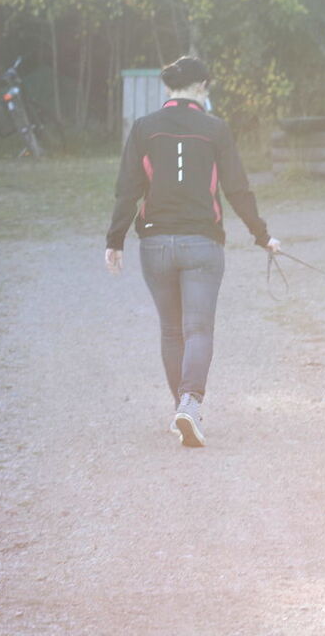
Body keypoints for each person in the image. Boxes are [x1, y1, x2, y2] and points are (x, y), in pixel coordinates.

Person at [105, 55, 279, 447]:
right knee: (198, 328)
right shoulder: (215, 129)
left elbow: (128, 188)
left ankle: (181, 409)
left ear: (169, 88)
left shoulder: (145, 128)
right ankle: (190, 404)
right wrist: (261, 235)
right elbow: (237, 187)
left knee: (171, 330)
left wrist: (114, 240)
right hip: (202, 243)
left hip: (155, 243)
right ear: (202, 87)